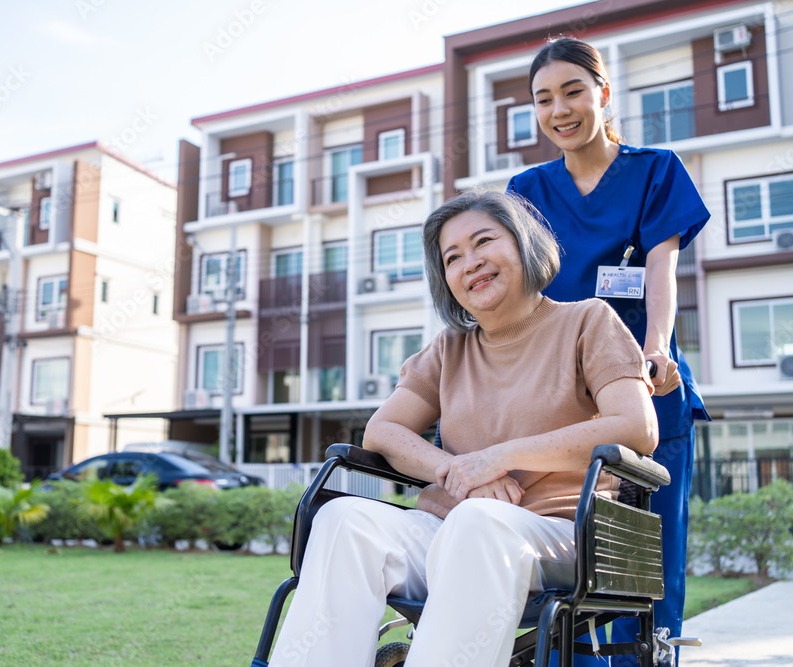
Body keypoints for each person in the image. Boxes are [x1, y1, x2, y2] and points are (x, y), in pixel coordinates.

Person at [268, 189, 658, 667]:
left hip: (558, 533)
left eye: (483, 242)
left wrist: (500, 457)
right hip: (445, 527)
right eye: (452, 258)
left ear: (523, 244)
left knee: (478, 522)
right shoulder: (448, 349)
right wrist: (458, 470)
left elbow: (637, 426)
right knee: (343, 519)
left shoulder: (587, 322)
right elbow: (382, 431)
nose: (469, 263)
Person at [506, 37, 711, 664]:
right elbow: (520, 293)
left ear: (603, 93)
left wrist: (655, 350)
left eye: (572, 91)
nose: (559, 110)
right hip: (559, 406)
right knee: (561, 569)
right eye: (543, 100)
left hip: (646, 394)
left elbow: (661, 268)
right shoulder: (526, 187)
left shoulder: (655, 170)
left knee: (646, 570)